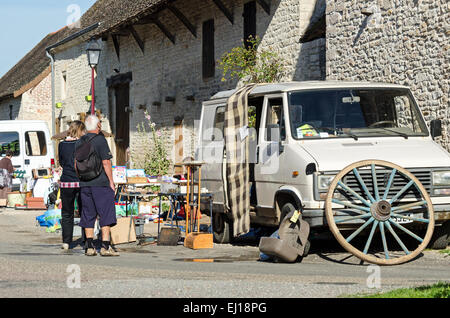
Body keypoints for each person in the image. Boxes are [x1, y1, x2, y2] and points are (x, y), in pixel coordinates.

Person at [76, 115, 119, 257]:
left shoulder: (80, 141)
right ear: (98, 126)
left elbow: (76, 164)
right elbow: (106, 162)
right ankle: (105, 246)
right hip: (100, 183)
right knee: (105, 213)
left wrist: (81, 178)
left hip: (85, 183)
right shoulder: (101, 140)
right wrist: (111, 181)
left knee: (88, 214)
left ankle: (89, 246)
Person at [59, 120, 86, 250]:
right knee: (85, 211)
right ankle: (86, 240)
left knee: (67, 213)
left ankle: (66, 241)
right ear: (80, 130)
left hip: (66, 181)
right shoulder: (82, 143)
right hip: (81, 181)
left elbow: (62, 162)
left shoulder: (62, 144)